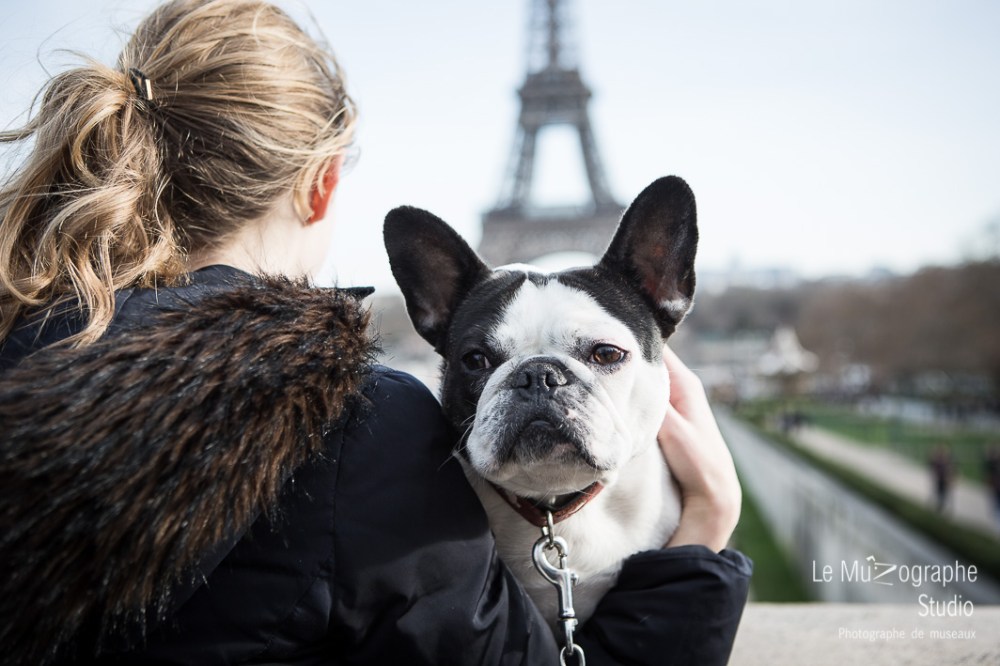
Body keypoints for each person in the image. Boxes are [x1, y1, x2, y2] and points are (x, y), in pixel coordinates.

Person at [0, 1, 751, 664]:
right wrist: (705, 531)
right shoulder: (366, 428)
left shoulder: (22, 342)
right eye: (481, 360)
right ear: (321, 183)